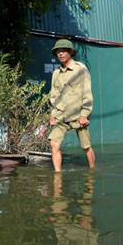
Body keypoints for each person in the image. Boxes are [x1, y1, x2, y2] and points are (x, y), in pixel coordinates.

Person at [48, 39, 95, 171]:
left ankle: (92, 171)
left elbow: (87, 93)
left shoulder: (81, 69)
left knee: (86, 147)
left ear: (71, 52)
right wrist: (53, 114)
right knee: (54, 144)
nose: (60, 54)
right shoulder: (56, 73)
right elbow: (54, 96)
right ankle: (58, 176)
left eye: (63, 51)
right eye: (58, 51)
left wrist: (84, 114)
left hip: (78, 115)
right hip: (60, 115)